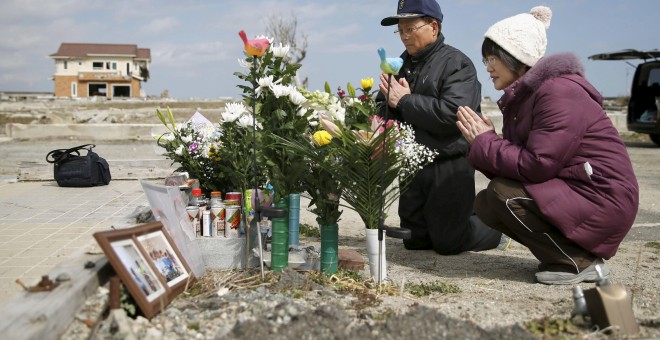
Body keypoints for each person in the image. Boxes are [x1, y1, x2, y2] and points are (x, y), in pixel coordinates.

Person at [456, 6, 639, 285]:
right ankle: (568, 255)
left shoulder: (557, 92)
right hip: (581, 190)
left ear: (516, 56)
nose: (488, 67)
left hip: (603, 196)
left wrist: (487, 142)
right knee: (487, 203)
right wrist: (488, 141)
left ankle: (577, 263)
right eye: (485, 60)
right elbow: (525, 167)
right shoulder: (526, 98)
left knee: (502, 195)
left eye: (492, 58)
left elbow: (538, 165)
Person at [377, 0, 507, 255]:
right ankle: (463, 212)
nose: (404, 37)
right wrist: (390, 105)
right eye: (400, 30)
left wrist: (404, 100)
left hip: (449, 161)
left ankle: (496, 227)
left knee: (449, 244)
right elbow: (384, 108)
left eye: (410, 29)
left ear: (433, 27)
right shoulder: (398, 65)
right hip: (413, 164)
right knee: (414, 240)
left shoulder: (457, 64)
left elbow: (453, 114)